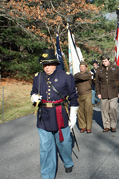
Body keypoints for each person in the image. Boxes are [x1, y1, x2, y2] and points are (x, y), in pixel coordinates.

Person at [30, 49, 79, 178]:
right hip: (44, 116)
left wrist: (73, 115)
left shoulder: (66, 76)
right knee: (45, 147)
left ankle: (68, 162)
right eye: (44, 65)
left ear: (55, 63)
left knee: (64, 143)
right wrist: (33, 97)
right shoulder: (38, 77)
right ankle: (47, 175)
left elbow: (73, 97)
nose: (47, 67)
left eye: (49, 64)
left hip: (60, 114)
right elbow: (33, 92)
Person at [95, 55, 119, 132]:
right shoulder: (99, 69)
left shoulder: (115, 67)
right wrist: (98, 92)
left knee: (113, 108)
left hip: (114, 91)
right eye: (103, 61)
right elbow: (97, 82)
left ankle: (113, 125)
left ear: (109, 60)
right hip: (103, 92)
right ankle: (106, 125)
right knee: (104, 110)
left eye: (105, 61)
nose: (104, 63)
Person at [74, 61, 93, 133]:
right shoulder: (77, 75)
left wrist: (74, 76)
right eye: (80, 66)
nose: (81, 68)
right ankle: (83, 126)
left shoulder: (88, 74)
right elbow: (73, 82)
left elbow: (83, 77)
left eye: (83, 66)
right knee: (80, 111)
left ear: (86, 67)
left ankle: (88, 127)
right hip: (79, 95)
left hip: (87, 94)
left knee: (88, 110)